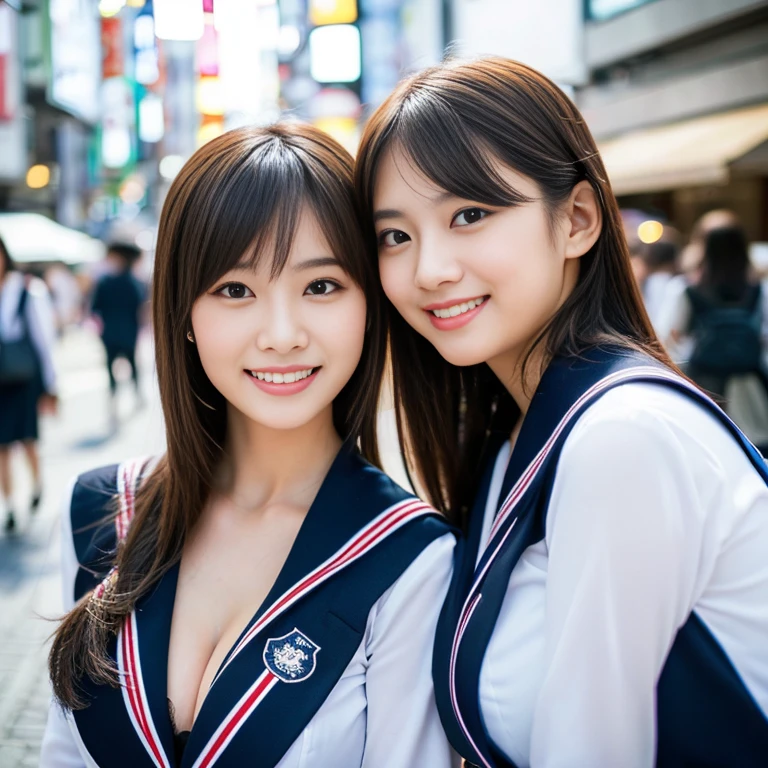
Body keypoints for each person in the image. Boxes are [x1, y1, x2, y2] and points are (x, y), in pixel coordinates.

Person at [355, 57, 768, 767]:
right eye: (396, 235)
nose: (428, 269)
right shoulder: (514, 443)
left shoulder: (621, 438)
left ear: (577, 220)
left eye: (470, 214)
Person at [40, 124, 457, 768]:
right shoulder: (101, 509)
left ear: (369, 303)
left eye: (321, 286)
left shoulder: (408, 561)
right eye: (235, 290)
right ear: (182, 310)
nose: (282, 335)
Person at [0, 236, 57, 533]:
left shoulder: (27, 289)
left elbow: (44, 340)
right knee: (2, 448)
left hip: (23, 380)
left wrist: (51, 383)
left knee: (27, 440)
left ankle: (36, 486)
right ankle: (9, 505)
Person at [90, 242, 147, 429]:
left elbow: (95, 308)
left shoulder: (105, 282)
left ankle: (115, 401)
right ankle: (137, 396)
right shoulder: (135, 282)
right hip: (129, 332)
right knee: (133, 365)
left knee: (111, 369)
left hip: (110, 334)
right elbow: (141, 307)